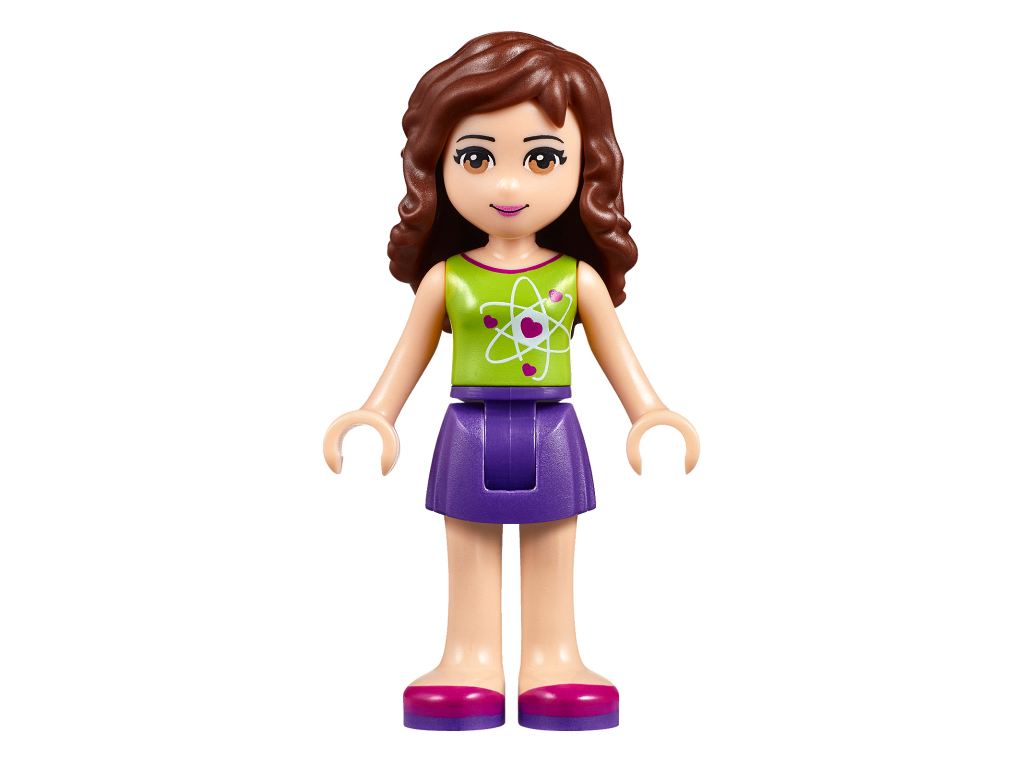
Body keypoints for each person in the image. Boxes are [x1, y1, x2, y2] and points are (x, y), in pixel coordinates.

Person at [322, 32, 699, 731]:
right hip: (468, 428)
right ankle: (469, 659)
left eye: (541, 159)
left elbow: (618, 356)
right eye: (476, 157)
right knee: (468, 546)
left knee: (552, 545)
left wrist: (650, 413)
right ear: (437, 166)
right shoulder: (447, 279)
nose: (507, 185)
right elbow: (408, 356)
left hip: (552, 429)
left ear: (585, 167)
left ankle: (553, 659)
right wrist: (375, 414)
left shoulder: (576, 280)